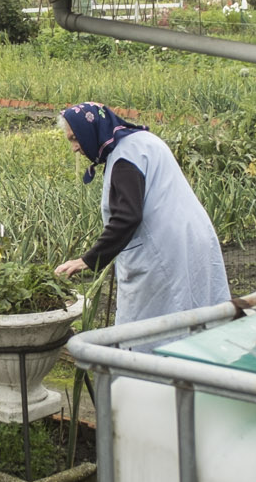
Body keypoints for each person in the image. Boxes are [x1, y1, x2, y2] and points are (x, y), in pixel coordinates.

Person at [55, 102, 230, 324]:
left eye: (74, 138)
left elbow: (127, 217)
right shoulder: (143, 140)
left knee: (149, 333)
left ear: (90, 130)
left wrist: (87, 261)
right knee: (196, 321)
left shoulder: (125, 158)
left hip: (162, 254)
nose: (74, 147)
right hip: (191, 240)